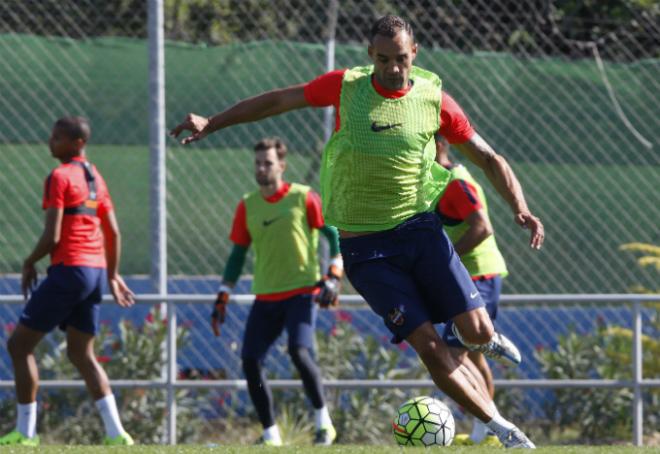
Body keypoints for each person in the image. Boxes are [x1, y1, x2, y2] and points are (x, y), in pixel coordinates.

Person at [170, 15, 544, 448]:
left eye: (401, 58)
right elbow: (278, 101)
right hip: (365, 248)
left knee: (477, 334)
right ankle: (503, 429)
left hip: (420, 229)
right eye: (383, 59)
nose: (393, 68)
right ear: (370, 56)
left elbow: (489, 157)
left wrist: (520, 207)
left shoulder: (432, 97)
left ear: (414, 53)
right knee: (428, 346)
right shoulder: (346, 87)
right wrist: (212, 122)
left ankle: (484, 337)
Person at [0, 117, 135, 447]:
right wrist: (113, 275)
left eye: (57, 137)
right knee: (80, 353)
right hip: (95, 273)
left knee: (19, 346)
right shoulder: (95, 178)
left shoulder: (59, 176)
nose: (50, 141)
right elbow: (113, 232)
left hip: (69, 271)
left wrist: (30, 261)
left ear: (77, 143)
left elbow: (54, 234)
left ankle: (26, 434)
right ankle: (117, 435)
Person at [210, 137, 341, 446]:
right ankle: (270, 435)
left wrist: (334, 275)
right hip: (266, 296)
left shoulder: (303, 197)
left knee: (299, 350)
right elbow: (237, 255)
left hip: (301, 292)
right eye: (257, 162)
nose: (261, 168)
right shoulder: (248, 205)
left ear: (282, 166)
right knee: (250, 360)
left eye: (267, 163)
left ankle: (325, 425)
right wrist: (223, 293)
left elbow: (333, 236)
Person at [434, 135, 510, 446]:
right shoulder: (434, 182)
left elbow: (482, 227)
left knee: (451, 354)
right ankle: (486, 431)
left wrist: (443, 261)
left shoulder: (455, 180)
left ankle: (493, 427)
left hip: (480, 275)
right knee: (473, 355)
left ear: (437, 143)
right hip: (468, 276)